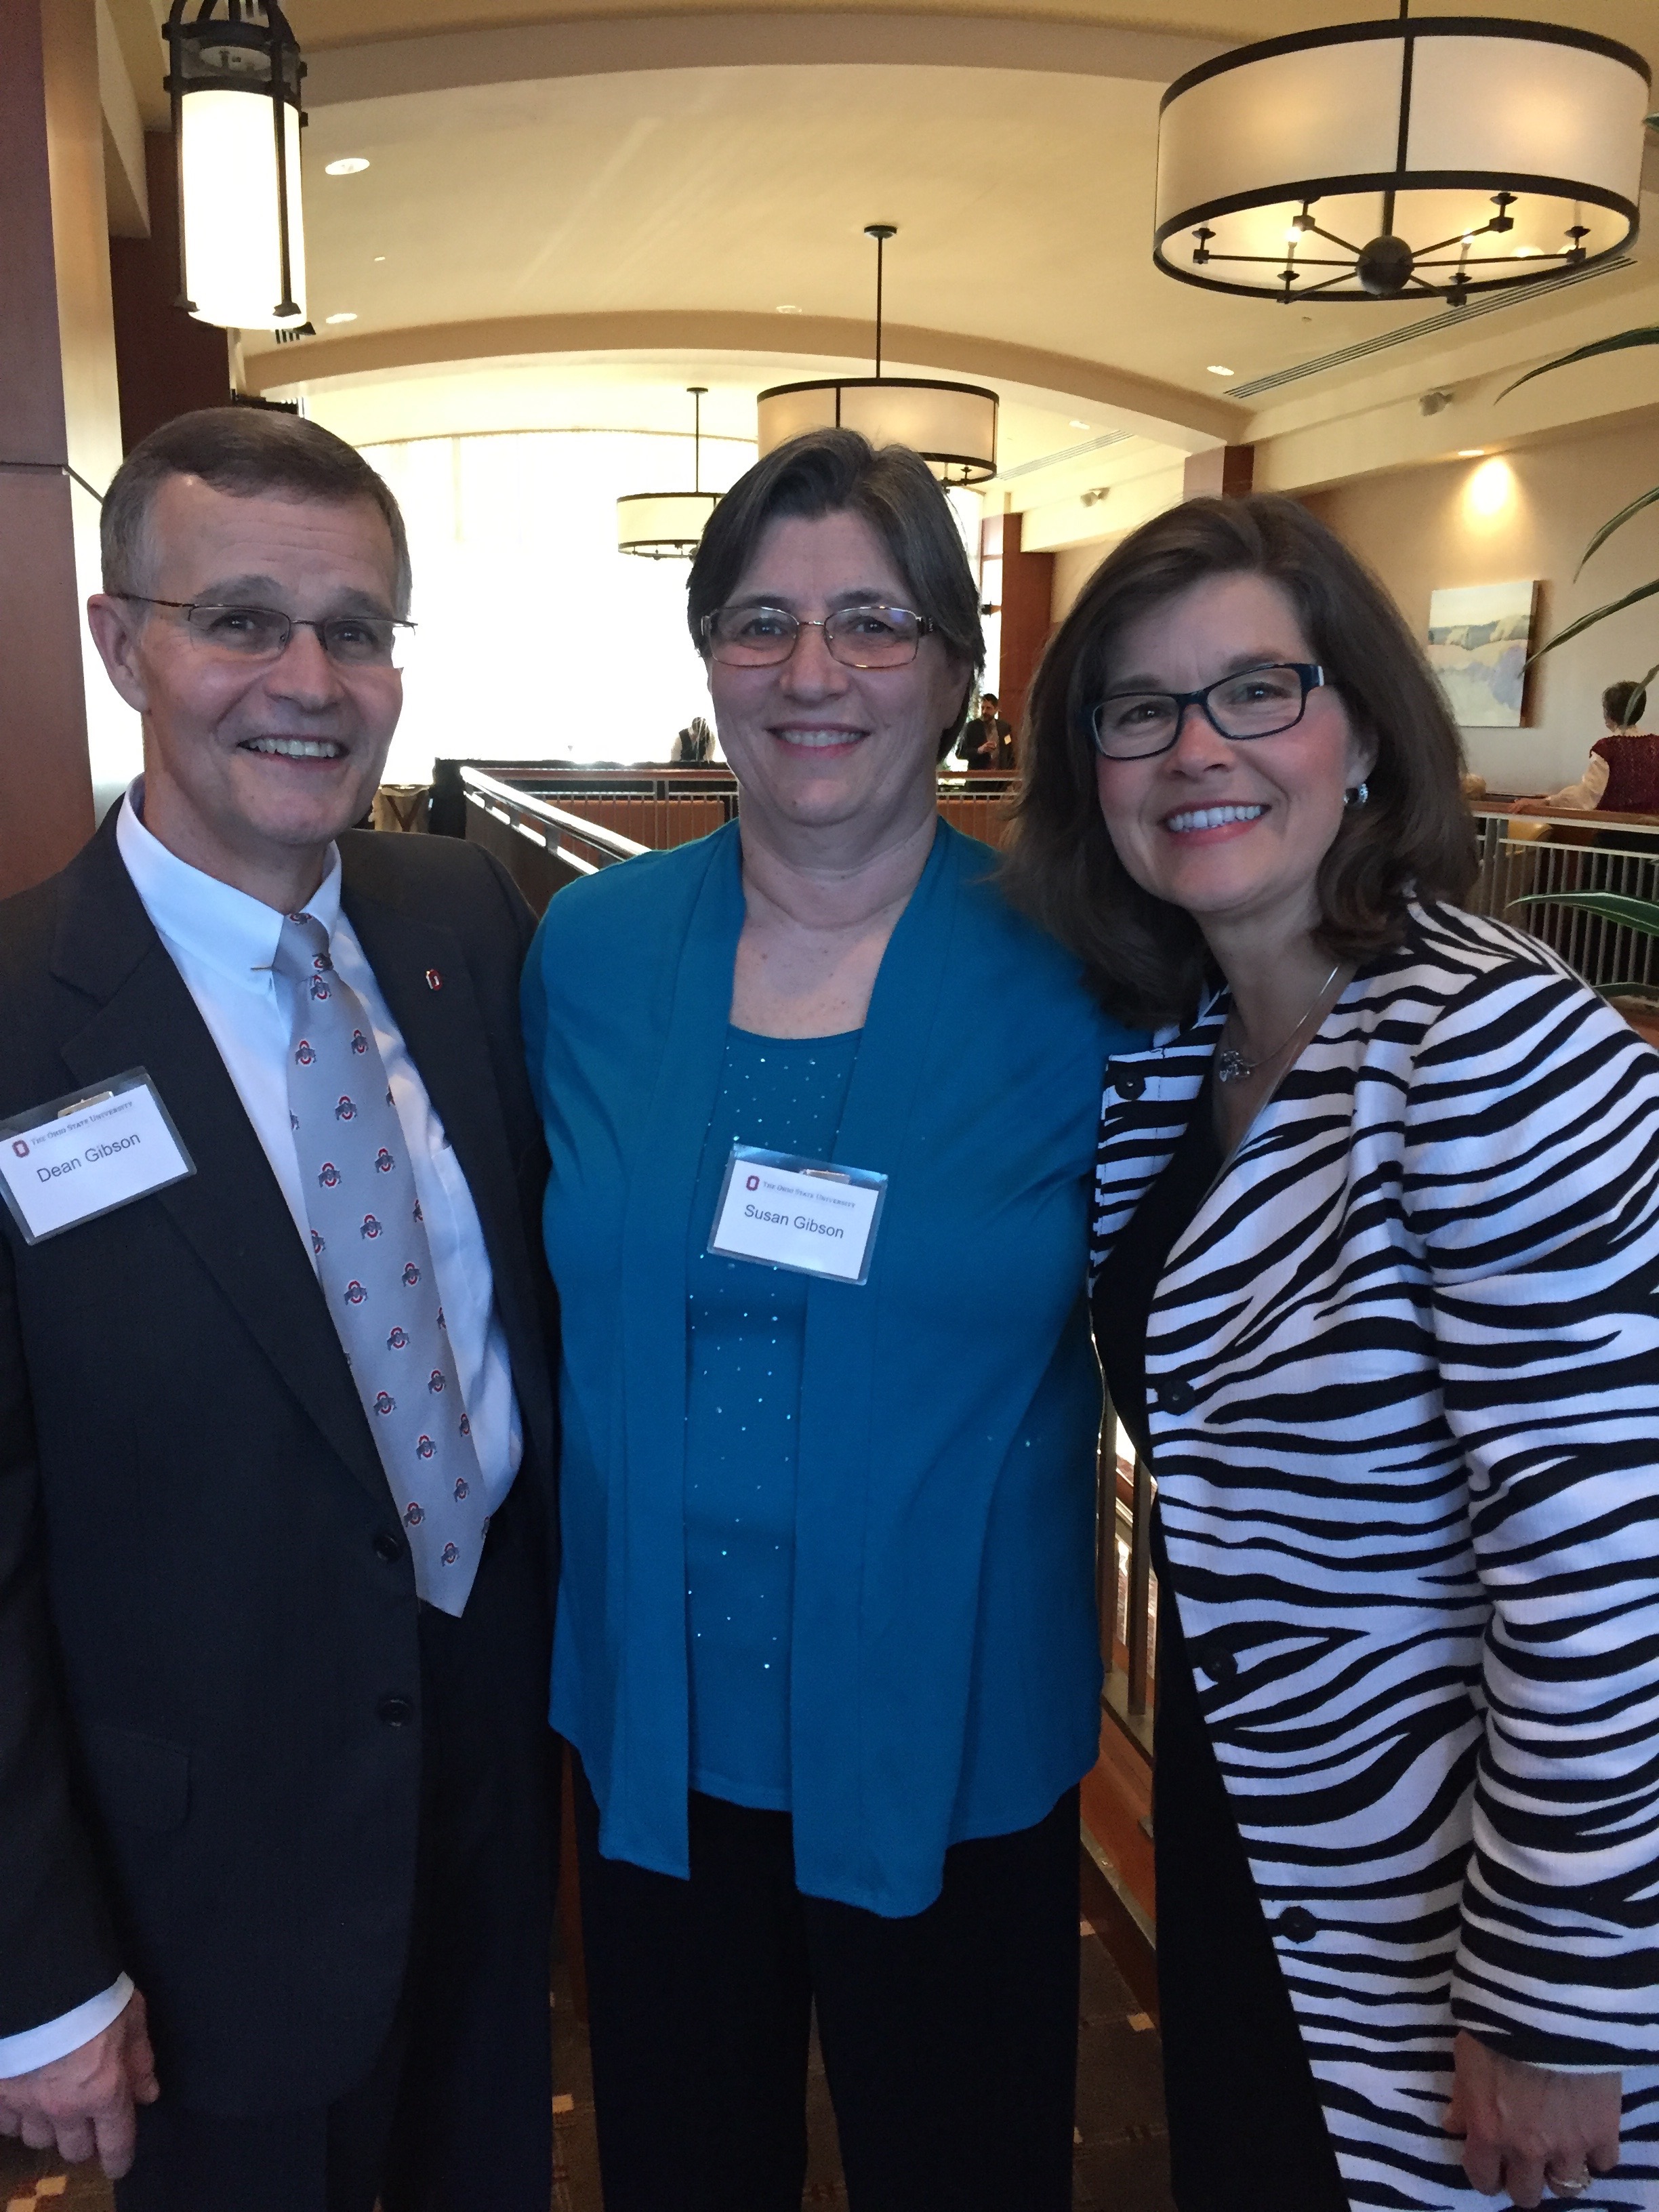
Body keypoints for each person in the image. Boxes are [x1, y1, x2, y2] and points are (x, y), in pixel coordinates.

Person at [1002, 492, 1659, 2212]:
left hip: (1478, 1906)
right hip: (1277, 1845)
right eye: (1135, 709)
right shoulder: (1183, 1047)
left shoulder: (1494, 1043)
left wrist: (1552, 2000)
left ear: (1359, 726)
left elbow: (1603, 1565)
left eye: (1252, 691)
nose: (1191, 749)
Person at [521, 428, 1140, 2211]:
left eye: (872, 623)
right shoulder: (590, 949)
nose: (812, 674)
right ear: (708, 654)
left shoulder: (1083, 967)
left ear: (957, 663)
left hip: (954, 1729)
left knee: (960, 2168)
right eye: (761, 621)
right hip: (655, 1723)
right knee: (681, 2168)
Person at [0, 409, 559, 2211]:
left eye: (359, 630)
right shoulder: (14, 1018)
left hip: (491, 1798)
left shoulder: (464, 913)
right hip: (193, 1899)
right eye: (241, 619)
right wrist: (38, 1978)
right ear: (119, 641)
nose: (310, 681)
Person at [1513, 678, 1659, 820]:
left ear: (1608, 713)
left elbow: (1587, 797)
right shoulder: (1656, 744)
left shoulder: (1607, 748)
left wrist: (1546, 802)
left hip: (1615, 832)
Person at [951, 688, 1008, 769]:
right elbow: (960, 753)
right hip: (978, 779)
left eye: (988, 708)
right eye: (982, 708)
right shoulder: (971, 727)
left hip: (999, 780)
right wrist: (979, 750)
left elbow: (1010, 753)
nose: (984, 712)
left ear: (996, 710)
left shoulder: (1005, 728)